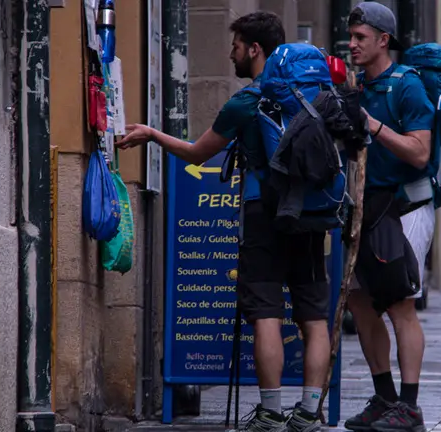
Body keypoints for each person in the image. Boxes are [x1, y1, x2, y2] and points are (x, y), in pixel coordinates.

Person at [115, 11, 329, 432]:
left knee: (266, 314)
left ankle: (269, 413)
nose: (229, 54)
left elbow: (197, 153)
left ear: (254, 49)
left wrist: (153, 134)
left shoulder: (248, 102)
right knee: (313, 317)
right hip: (311, 215)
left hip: (263, 214)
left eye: (235, 46)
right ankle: (308, 413)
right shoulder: (315, 97)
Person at [342, 2, 436, 432]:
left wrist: (373, 125)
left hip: (407, 208)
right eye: (351, 37)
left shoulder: (407, 86)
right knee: (361, 303)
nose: (352, 44)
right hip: (367, 209)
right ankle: (385, 398)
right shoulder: (356, 87)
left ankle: (410, 406)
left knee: (401, 305)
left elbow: (420, 153)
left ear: (384, 40)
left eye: (361, 37)